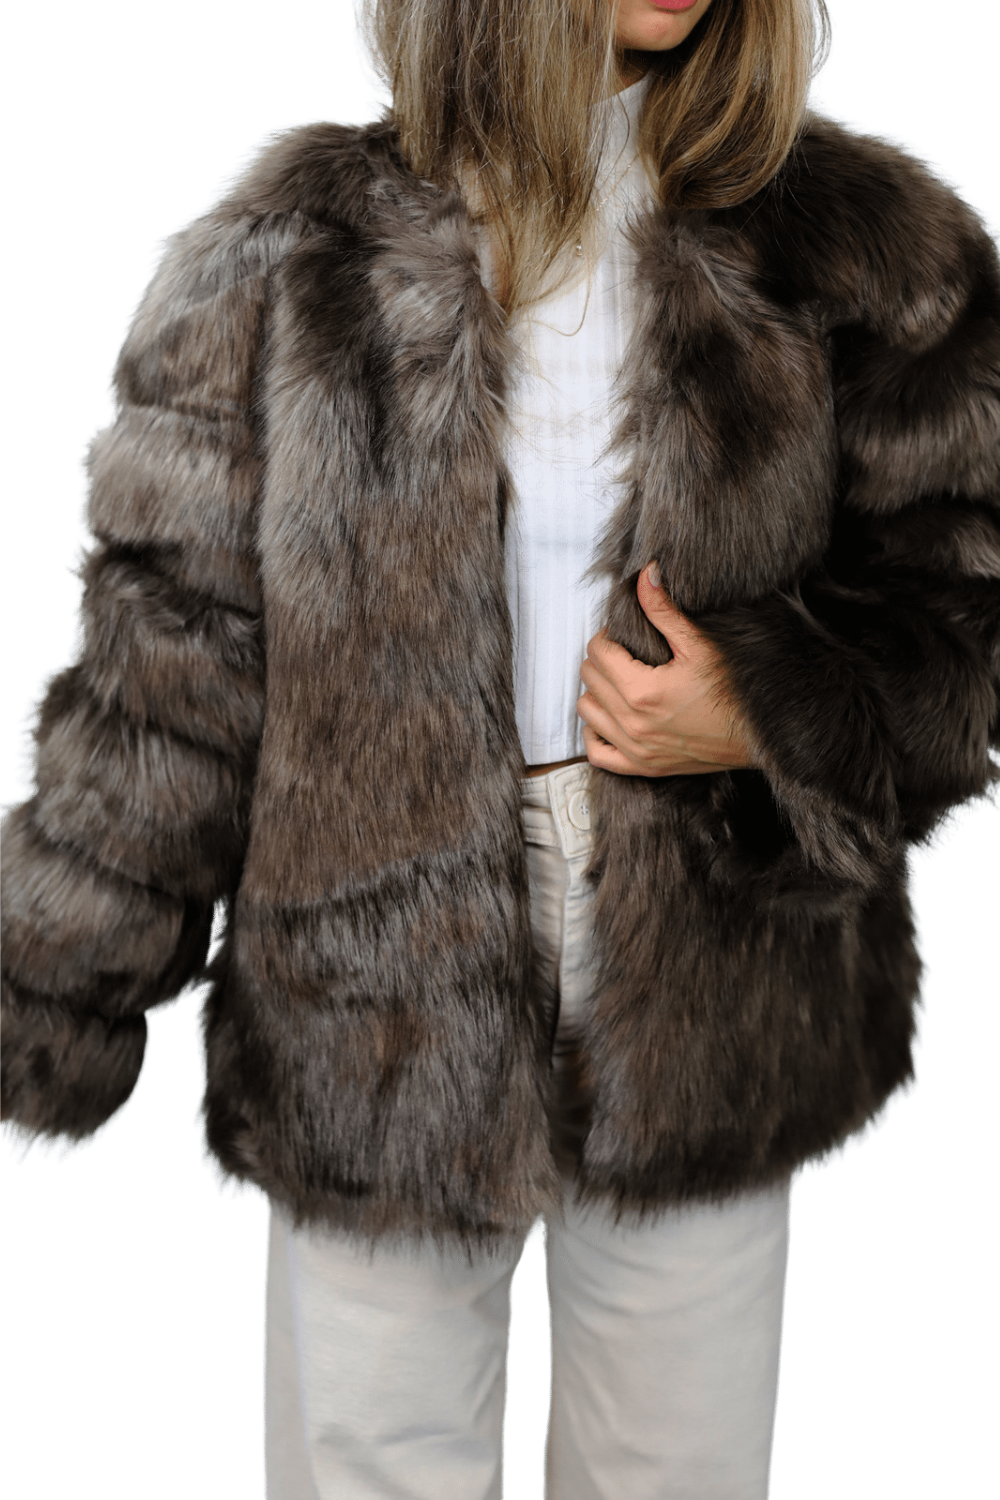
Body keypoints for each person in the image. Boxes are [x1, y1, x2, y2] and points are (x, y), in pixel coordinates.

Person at [2, 0, 998, 1496]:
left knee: (677, 1472)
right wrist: (53, 989)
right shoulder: (282, 260)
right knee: (371, 1461)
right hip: (371, 978)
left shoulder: (870, 252)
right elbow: (170, 672)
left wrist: (769, 711)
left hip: (716, 968)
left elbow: (970, 595)